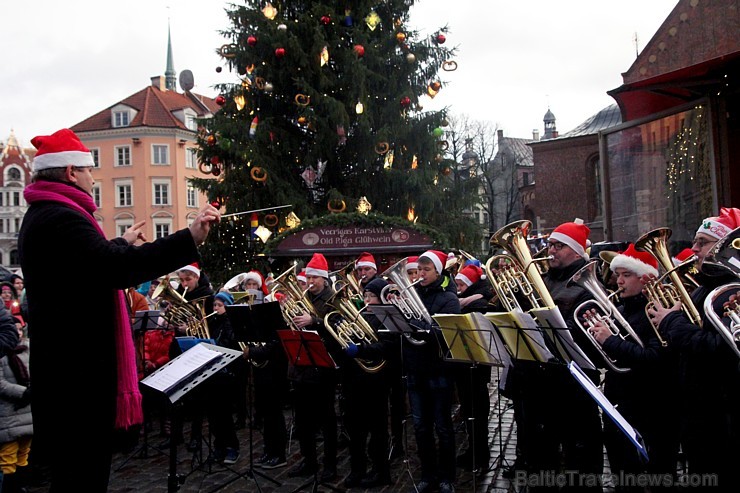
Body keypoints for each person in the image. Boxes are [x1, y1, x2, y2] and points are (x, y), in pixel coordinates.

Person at [17, 128, 220, 492]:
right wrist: (189, 238)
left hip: (67, 377)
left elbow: (87, 265)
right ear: (70, 173)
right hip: (76, 380)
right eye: (88, 170)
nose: (93, 177)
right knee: (82, 478)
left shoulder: (49, 213)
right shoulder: (61, 216)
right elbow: (113, 269)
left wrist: (117, 243)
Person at [507, 219, 603, 493]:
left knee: (579, 455)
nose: (551, 250)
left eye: (559, 246)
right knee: (541, 454)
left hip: (572, 383)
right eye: (550, 244)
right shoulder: (543, 279)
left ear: (576, 250)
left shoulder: (587, 283)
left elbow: (586, 331)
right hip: (538, 381)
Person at [648, 207, 740, 492]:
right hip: (696, 404)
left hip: (718, 410)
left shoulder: (729, 290)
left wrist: (672, 321)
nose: (694, 248)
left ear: (723, 246)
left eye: (703, 242)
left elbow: (720, 349)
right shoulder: (706, 286)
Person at [589, 244, 680, 492]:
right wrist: (599, 339)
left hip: (651, 407)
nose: (618, 281)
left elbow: (653, 358)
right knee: (622, 470)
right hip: (621, 402)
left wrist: (611, 341)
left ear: (646, 278)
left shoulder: (656, 311)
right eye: (617, 275)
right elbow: (615, 357)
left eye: (626, 275)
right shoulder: (620, 309)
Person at [404, 250, 461, 493]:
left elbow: (445, 331)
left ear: (437, 271)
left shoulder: (448, 298)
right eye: (419, 269)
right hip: (416, 368)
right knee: (420, 426)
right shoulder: (412, 294)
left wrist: (420, 327)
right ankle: (427, 473)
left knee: (443, 426)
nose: (421, 274)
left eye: (426, 270)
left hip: (439, 369)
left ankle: (447, 475)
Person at [287, 253, 340, 482]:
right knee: (303, 420)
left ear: (323, 279)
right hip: (301, 365)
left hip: (324, 366)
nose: (310, 282)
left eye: (314, 278)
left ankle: (330, 465)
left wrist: (314, 321)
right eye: (308, 277)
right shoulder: (304, 296)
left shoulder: (333, 298)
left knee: (327, 419)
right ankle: (309, 461)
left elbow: (338, 325)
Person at [341, 277, 392, 488]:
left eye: (372, 296)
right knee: (355, 429)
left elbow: (387, 346)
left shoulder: (387, 318)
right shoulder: (358, 316)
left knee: (377, 429)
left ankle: (381, 471)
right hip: (355, 379)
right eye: (366, 296)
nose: (368, 301)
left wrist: (361, 350)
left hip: (377, 380)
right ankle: (357, 468)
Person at [452, 264, 493, 472]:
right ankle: (472, 450)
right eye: (456, 283)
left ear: (469, 285)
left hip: (477, 367)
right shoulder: (463, 301)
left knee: (478, 412)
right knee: (469, 411)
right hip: (464, 365)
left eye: (460, 284)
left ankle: (481, 454)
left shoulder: (479, 304)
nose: (457, 287)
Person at [0, 316, 31, 493]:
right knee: (8, 456)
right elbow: (1, 383)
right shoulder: (3, 354)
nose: (17, 333)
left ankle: (21, 486)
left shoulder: (26, 349)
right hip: (9, 413)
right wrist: (23, 393)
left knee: (23, 454)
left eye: (20, 329)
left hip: (26, 412)